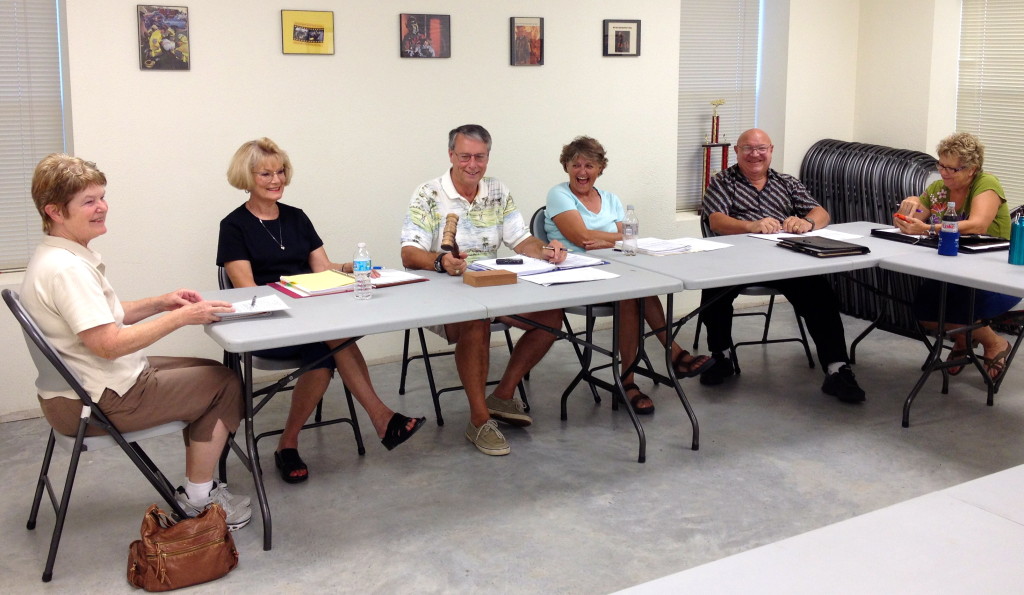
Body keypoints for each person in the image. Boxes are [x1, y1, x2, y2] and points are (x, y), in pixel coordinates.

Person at [21, 154, 252, 529]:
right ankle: (198, 501)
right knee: (224, 383)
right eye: (89, 201)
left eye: (102, 196)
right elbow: (109, 344)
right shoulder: (67, 270)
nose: (102, 208)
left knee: (210, 370)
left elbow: (101, 317)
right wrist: (181, 317)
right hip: (98, 400)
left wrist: (160, 303)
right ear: (55, 211)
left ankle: (200, 484)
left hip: (79, 391)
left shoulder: (56, 256)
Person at [218, 138, 424, 483]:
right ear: (247, 177)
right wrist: (294, 294)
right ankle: (383, 419)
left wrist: (354, 268)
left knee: (330, 349)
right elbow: (246, 290)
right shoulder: (234, 226)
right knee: (337, 340)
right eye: (265, 173)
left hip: (313, 321)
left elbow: (323, 269)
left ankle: (289, 444)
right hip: (269, 324)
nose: (276, 179)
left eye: (280, 171)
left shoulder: (297, 218)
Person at [400, 124, 565, 456]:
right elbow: (409, 253)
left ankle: (502, 395)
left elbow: (521, 240)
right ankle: (478, 419)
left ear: (488, 157)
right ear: (451, 156)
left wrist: (546, 249)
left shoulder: (497, 190)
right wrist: (439, 261)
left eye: (480, 157)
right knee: (476, 321)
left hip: (492, 285)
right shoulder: (428, 194)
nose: (472, 164)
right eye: (465, 156)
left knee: (551, 315)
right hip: (444, 290)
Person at [544, 135, 714, 414]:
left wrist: (611, 240)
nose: (582, 172)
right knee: (628, 295)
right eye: (576, 165)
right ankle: (639, 375)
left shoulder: (610, 199)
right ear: (566, 166)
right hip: (574, 273)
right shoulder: (559, 194)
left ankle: (659, 362)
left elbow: (631, 237)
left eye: (590, 165)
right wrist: (615, 238)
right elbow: (582, 236)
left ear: (600, 168)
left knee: (642, 287)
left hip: (613, 267)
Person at [698, 128, 865, 403]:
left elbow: (821, 213)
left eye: (761, 148)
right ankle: (721, 356)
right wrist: (751, 225)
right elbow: (715, 220)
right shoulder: (722, 182)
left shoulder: (786, 182)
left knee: (820, 293)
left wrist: (807, 222)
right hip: (736, 259)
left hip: (783, 259)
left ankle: (837, 369)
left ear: (771, 151)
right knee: (713, 289)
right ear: (738, 152)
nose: (755, 154)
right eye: (748, 148)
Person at [893, 131, 1018, 380]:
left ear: (972, 169)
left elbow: (978, 224)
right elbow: (909, 220)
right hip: (952, 269)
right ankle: (964, 337)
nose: (945, 173)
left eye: (953, 168)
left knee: (954, 307)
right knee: (924, 308)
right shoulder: (940, 188)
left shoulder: (986, 184)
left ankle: (994, 343)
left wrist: (928, 228)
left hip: (993, 273)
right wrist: (908, 209)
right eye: (941, 165)